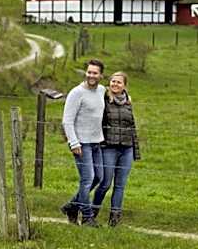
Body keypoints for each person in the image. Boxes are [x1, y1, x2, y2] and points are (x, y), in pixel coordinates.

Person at [60, 58, 105, 226]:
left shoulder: (101, 90)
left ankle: (72, 206)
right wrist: (74, 143)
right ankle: (87, 217)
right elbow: (67, 121)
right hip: (81, 144)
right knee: (87, 179)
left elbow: (114, 95)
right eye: (89, 72)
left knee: (98, 177)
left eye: (95, 73)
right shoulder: (76, 93)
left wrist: (126, 97)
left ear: (101, 75)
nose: (91, 75)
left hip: (96, 142)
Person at [92, 71, 140, 227]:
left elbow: (132, 127)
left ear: (124, 85)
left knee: (120, 185)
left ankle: (114, 219)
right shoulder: (104, 99)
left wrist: (135, 151)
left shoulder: (128, 102)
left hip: (126, 149)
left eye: (119, 82)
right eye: (113, 81)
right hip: (109, 148)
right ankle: (91, 214)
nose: (115, 84)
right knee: (105, 183)